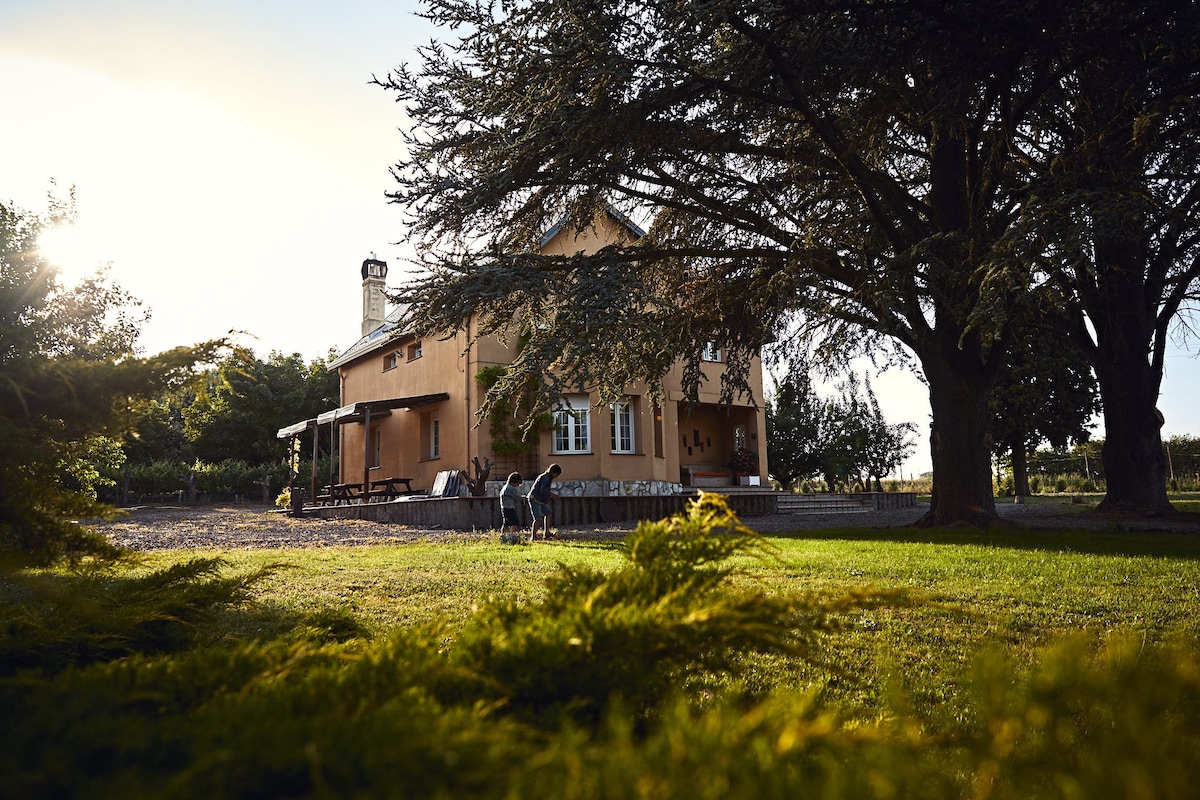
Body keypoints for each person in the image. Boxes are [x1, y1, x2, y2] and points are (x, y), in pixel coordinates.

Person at [528, 463, 562, 541]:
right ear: (553, 472)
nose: (556, 476)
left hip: (541, 500)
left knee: (548, 513)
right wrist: (552, 495)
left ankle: (546, 533)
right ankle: (533, 537)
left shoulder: (547, 477)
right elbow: (543, 490)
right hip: (535, 499)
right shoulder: (545, 478)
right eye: (557, 474)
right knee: (537, 518)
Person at [499, 472, 525, 543]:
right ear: (514, 482)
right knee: (515, 523)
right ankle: (513, 538)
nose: (518, 485)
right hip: (509, 508)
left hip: (504, 507)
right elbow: (518, 497)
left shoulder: (505, 487)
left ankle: (503, 538)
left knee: (506, 523)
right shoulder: (511, 489)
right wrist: (527, 497)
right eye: (518, 484)